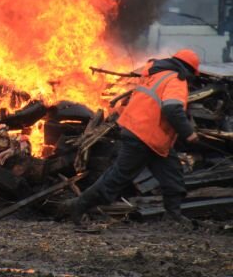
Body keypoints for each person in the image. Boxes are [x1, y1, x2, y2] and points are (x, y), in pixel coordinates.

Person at [65, 49, 200, 224]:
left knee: (172, 173)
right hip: (143, 136)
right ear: (189, 70)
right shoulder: (176, 80)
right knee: (118, 177)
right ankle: (79, 205)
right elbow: (172, 108)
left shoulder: (156, 74)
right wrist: (188, 132)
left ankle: (173, 216)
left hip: (151, 138)